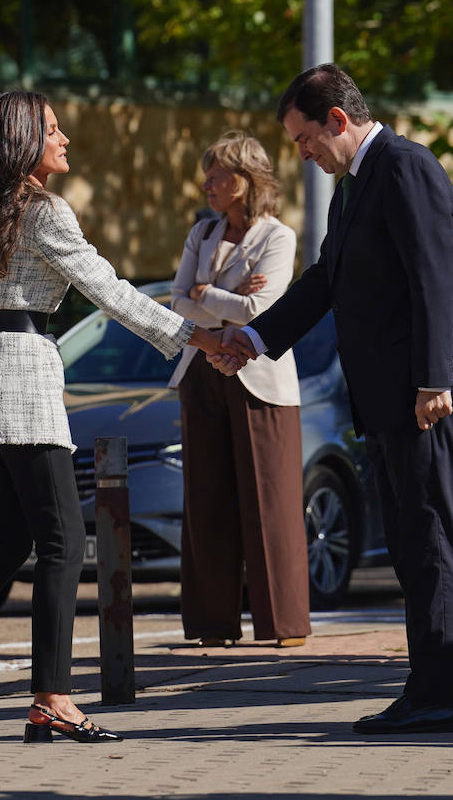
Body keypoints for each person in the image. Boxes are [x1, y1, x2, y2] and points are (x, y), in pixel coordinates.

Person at [0, 90, 228, 743]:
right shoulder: (43, 212)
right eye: (54, 131)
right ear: (24, 141)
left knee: (6, 544)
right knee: (63, 541)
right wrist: (192, 336)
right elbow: (109, 290)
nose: (65, 140)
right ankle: (52, 697)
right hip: (25, 385)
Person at [215, 64, 453, 734]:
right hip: (387, 398)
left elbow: (436, 280)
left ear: (338, 120)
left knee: (429, 542)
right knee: (408, 542)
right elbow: (324, 284)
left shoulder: (405, 167)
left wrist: (435, 378)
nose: (302, 153)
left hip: (425, 396)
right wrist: (254, 337)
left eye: (305, 138)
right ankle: (426, 687)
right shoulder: (351, 189)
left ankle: (436, 698)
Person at [169, 132, 311, 650]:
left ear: (246, 180)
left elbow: (262, 312)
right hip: (200, 370)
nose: (206, 184)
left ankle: (285, 625)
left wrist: (206, 294)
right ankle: (211, 625)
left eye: (217, 174)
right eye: (206, 174)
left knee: (269, 501)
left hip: (261, 380)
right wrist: (221, 298)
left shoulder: (279, 237)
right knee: (205, 499)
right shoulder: (201, 233)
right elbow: (175, 302)